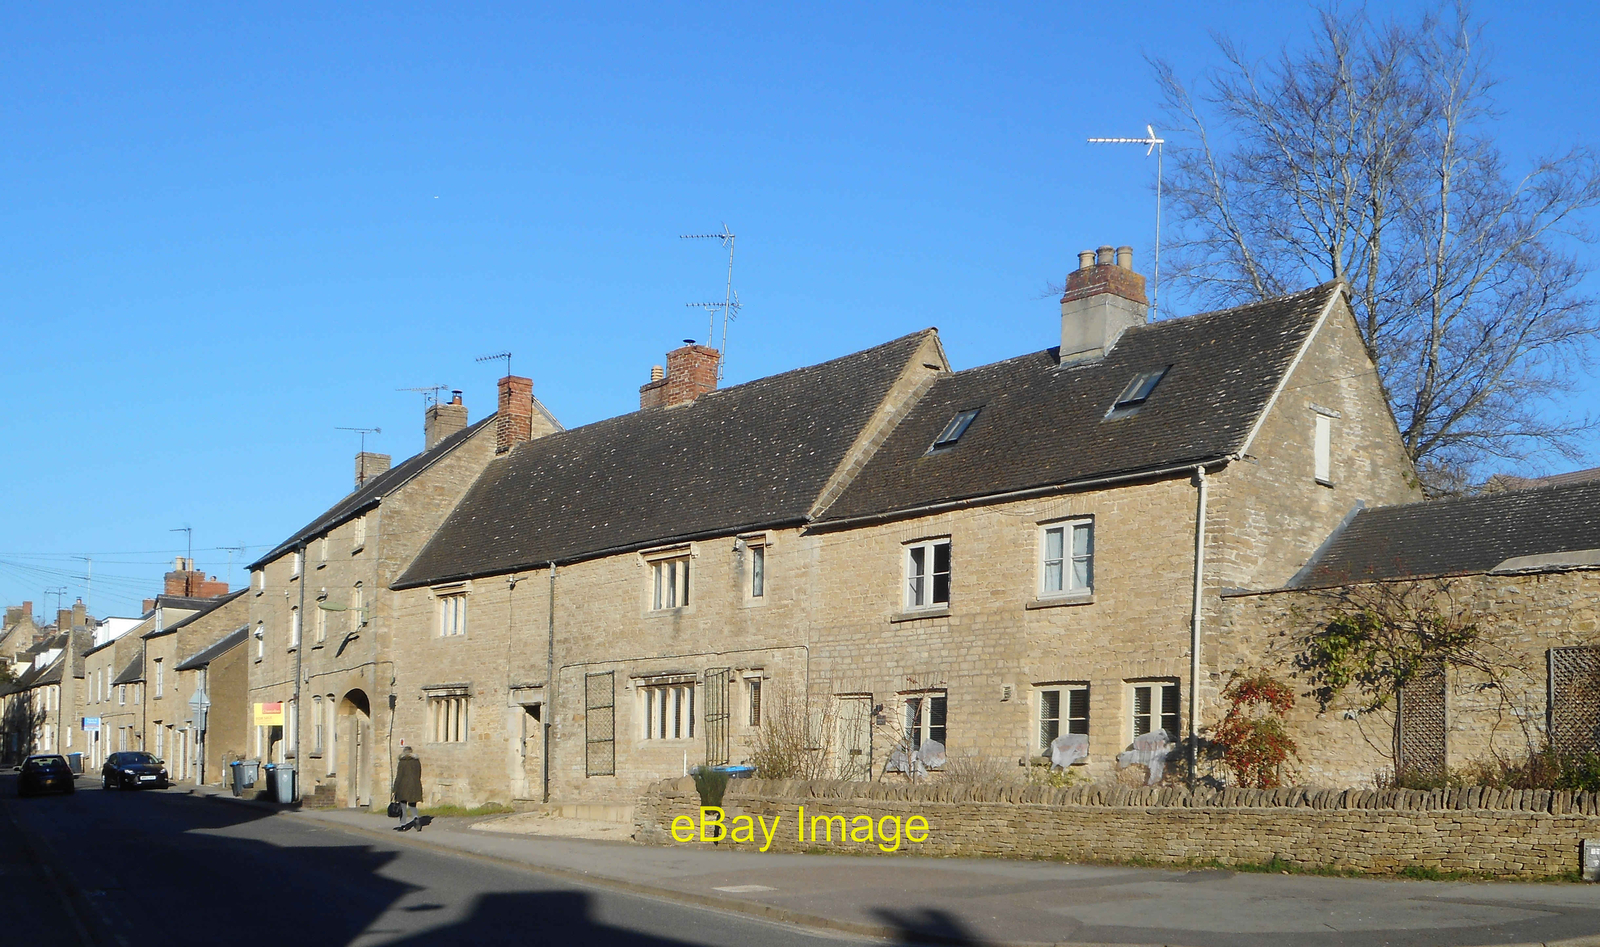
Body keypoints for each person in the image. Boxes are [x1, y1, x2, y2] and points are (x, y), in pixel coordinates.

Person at [393, 745, 423, 831]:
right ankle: (416, 818)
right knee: (412, 805)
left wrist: (395, 788)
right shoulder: (416, 762)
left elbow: (399, 776)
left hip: (403, 786)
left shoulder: (402, 762)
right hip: (415, 785)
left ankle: (403, 825)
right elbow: (419, 774)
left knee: (403, 806)